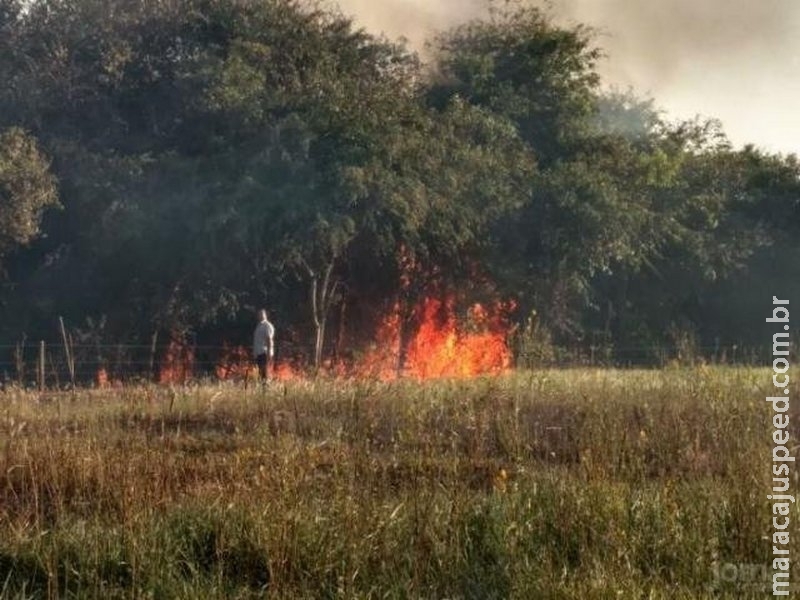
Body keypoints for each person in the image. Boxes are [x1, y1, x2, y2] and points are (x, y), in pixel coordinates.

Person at [252, 309, 275, 382]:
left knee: (265, 373)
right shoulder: (259, 326)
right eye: (259, 314)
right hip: (259, 353)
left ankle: (266, 389)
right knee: (261, 373)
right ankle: (263, 389)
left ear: (265, 315)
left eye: (262, 314)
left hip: (264, 353)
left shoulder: (267, 326)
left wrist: (268, 354)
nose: (260, 316)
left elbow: (269, 340)